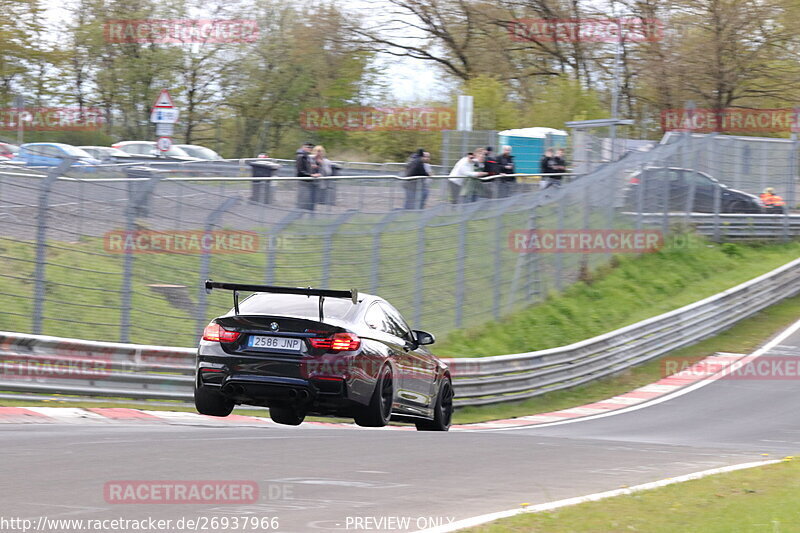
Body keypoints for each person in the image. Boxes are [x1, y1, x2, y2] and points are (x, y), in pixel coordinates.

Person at [295, 142, 316, 210]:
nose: (310, 149)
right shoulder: (301, 156)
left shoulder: (307, 157)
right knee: (302, 202)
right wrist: (310, 175)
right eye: (308, 147)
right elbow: (300, 171)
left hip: (307, 181)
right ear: (303, 147)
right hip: (303, 182)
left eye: (311, 147)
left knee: (306, 202)